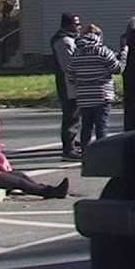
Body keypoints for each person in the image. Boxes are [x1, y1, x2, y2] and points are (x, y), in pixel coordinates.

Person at [68, 24, 127, 148]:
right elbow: (117, 68)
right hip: (102, 94)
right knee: (101, 126)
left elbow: (70, 74)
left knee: (86, 127)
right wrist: (123, 54)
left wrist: (80, 83)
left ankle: (85, 152)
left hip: (84, 95)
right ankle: (103, 152)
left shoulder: (77, 53)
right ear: (98, 36)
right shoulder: (102, 51)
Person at [0, 115, 69, 199]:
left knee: (20, 175)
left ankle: (43, 188)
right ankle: (48, 192)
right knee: (19, 182)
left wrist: (1, 159)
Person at [50, 12, 82, 160]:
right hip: (68, 84)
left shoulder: (69, 40)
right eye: (76, 24)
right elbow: (68, 66)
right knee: (71, 115)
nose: (79, 26)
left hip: (71, 83)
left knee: (75, 115)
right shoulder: (63, 41)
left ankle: (72, 140)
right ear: (68, 25)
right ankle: (68, 149)